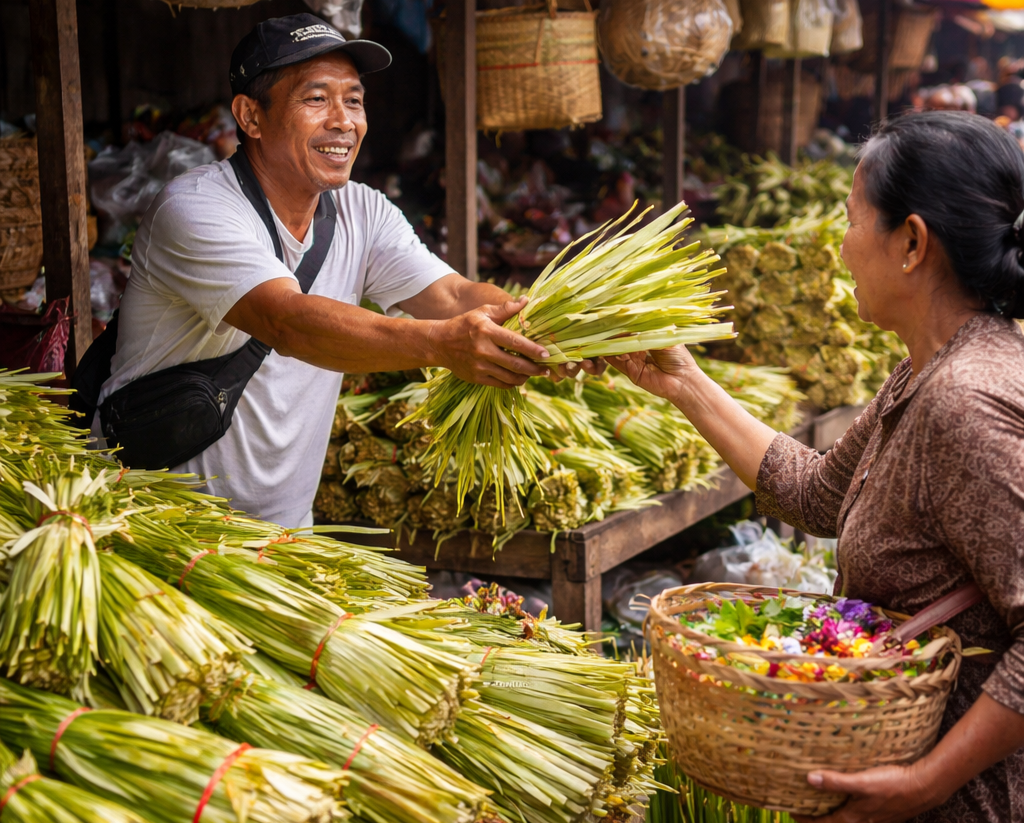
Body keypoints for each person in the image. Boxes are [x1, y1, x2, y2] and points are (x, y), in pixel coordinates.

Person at [614, 111, 1024, 823]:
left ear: (911, 242)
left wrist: (926, 780)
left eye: (850, 219)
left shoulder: (965, 403)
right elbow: (815, 493)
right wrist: (681, 381)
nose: (838, 247)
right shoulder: (923, 374)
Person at [96, 14, 596, 528]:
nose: (343, 121)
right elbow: (288, 322)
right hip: (154, 524)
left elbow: (451, 296)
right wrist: (440, 345)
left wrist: (547, 326)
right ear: (250, 116)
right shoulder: (197, 208)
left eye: (353, 100)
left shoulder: (363, 210)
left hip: (284, 532)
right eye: (316, 99)